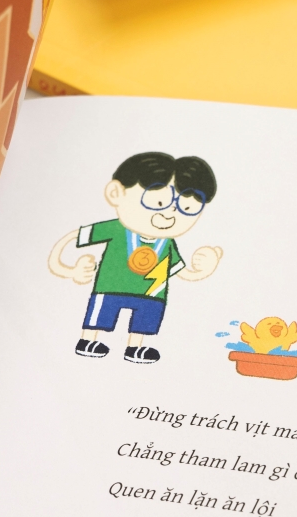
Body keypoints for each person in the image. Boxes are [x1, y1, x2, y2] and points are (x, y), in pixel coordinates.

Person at [48, 152, 223, 365]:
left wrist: (205, 269)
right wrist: (69, 270)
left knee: (146, 317)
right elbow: (73, 238)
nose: (169, 214)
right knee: (101, 314)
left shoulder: (167, 243)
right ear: (116, 193)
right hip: (110, 287)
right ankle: (88, 341)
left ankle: (135, 347)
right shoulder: (116, 229)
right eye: (158, 202)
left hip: (151, 294)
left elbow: (182, 271)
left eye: (186, 208)